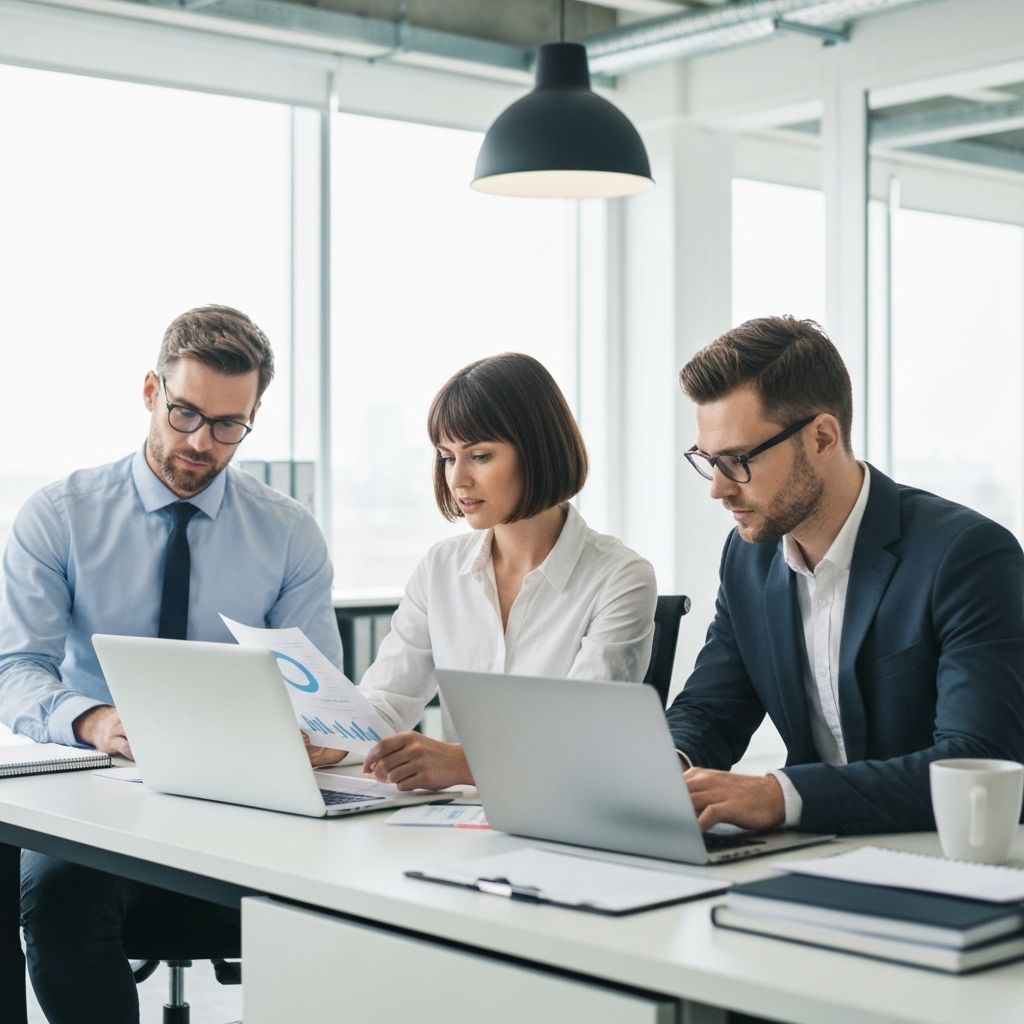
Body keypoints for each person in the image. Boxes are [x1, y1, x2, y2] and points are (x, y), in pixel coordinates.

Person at [0, 305, 344, 1024]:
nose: (200, 441)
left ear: (253, 416)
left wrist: (314, 733)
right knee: (57, 903)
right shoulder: (59, 515)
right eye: (184, 412)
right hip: (98, 793)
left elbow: (315, 687)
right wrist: (94, 720)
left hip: (245, 800)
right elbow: (16, 667)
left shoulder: (288, 534)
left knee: (347, 907)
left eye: (228, 425)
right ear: (152, 392)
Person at [667, 315, 1024, 836]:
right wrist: (665, 772)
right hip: (814, 852)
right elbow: (711, 710)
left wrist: (779, 795)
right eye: (709, 460)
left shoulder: (966, 555)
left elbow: (977, 760)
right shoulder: (749, 558)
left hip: (941, 856)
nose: (718, 489)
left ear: (822, 438)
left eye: (738, 460)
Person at [359, 352, 658, 791]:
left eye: (479, 455)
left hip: (564, 819)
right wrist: (335, 740)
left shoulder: (620, 577)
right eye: (446, 457)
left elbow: (586, 741)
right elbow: (386, 701)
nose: (457, 479)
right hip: (459, 822)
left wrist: (466, 764)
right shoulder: (440, 568)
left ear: (538, 451)